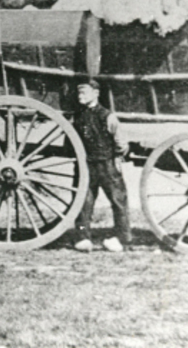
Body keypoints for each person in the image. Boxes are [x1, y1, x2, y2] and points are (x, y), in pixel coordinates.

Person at [72, 78, 131, 253]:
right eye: (79, 92)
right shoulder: (77, 116)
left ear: (96, 93)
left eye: (84, 92)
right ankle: (82, 237)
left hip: (107, 165)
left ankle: (122, 238)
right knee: (82, 203)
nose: (80, 96)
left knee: (118, 201)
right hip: (86, 166)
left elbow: (121, 142)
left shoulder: (107, 116)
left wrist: (118, 157)